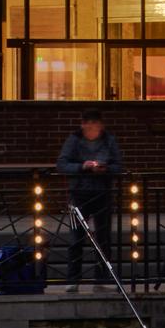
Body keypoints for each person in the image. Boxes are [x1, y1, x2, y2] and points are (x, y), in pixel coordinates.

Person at [56, 112, 123, 281]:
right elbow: (62, 164)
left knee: (103, 238)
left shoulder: (109, 141)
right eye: (89, 125)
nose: (92, 129)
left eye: (96, 125)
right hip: (79, 194)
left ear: (101, 126)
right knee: (76, 238)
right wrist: (82, 167)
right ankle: (73, 278)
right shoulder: (74, 140)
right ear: (83, 125)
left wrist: (106, 169)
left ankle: (102, 277)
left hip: (102, 193)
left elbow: (118, 165)